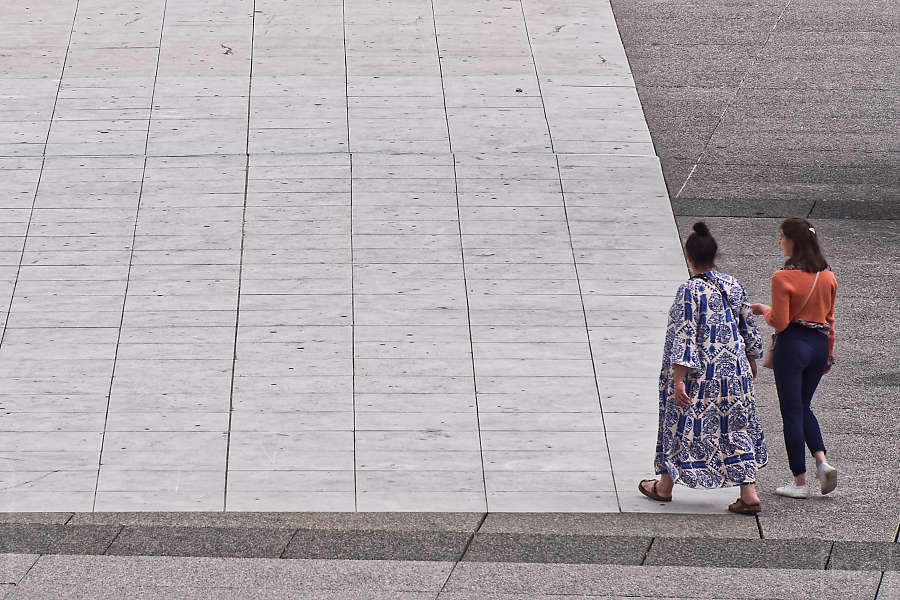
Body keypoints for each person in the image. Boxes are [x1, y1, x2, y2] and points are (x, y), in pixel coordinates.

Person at [640, 222, 767, 515]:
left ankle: (664, 487)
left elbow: (683, 335)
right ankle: (748, 493)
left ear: (689, 255)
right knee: (736, 425)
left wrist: (678, 380)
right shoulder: (733, 284)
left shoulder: (689, 290)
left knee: (679, 421)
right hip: (734, 370)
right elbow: (747, 323)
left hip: (702, 373)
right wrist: (750, 359)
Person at [750, 218, 838, 499]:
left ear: (792, 241)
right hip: (820, 345)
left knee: (791, 412)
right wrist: (829, 354)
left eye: (781, 237)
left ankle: (799, 481)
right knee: (803, 405)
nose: (779, 241)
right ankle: (822, 461)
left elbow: (781, 322)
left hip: (793, 347)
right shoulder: (827, 275)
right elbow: (830, 319)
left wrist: (762, 309)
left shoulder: (782, 277)